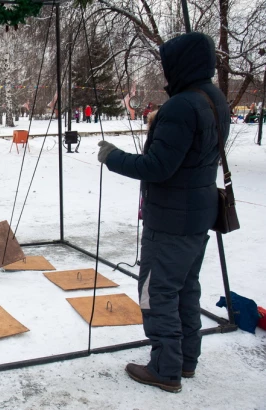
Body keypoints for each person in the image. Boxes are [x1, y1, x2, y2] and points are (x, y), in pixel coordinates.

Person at [97, 32, 229, 393]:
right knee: (185, 289)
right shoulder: (213, 99)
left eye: (168, 66)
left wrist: (112, 157)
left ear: (181, 64)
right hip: (197, 215)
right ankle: (186, 360)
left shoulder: (181, 107)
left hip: (171, 219)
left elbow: (159, 167)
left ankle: (165, 368)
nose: (166, 74)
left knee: (157, 294)